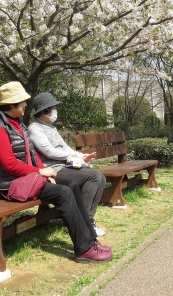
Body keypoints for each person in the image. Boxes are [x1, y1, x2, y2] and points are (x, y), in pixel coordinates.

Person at [0, 81, 112, 263]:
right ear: (12, 104)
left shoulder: (18, 124)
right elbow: (9, 165)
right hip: (11, 184)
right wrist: (40, 172)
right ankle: (84, 249)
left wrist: (45, 172)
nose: (26, 105)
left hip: (27, 178)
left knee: (72, 185)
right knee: (64, 192)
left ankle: (90, 239)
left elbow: (32, 153)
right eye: (22, 102)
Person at [28, 92, 107, 237]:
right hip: (53, 169)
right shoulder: (35, 128)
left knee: (100, 177)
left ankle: (87, 219)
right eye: (53, 108)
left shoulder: (51, 127)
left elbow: (64, 147)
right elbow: (49, 151)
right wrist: (73, 155)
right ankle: (85, 222)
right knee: (94, 177)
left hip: (65, 165)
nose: (55, 111)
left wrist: (80, 156)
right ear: (44, 110)